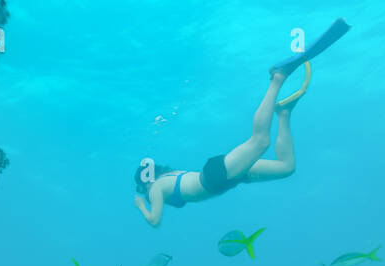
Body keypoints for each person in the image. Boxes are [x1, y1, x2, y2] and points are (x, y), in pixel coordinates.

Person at [134, 18, 350, 226]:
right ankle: (283, 114)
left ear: (145, 183)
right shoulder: (169, 177)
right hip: (226, 178)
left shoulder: (154, 188)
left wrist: (141, 205)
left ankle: (277, 79)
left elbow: (155, 221)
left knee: (260, 142)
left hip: (216, 177)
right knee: (286, 168)